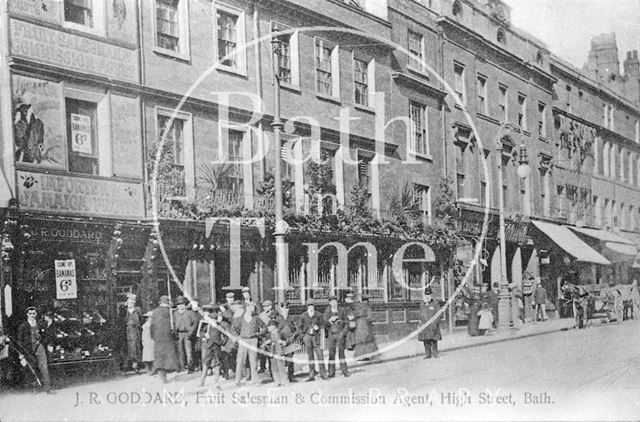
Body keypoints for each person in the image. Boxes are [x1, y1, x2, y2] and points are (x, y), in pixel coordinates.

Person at [17, 307, 54, 393]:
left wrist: (48, 344)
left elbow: (47, 336)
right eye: (30, 313)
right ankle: (34, 388)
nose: (32, 315)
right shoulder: (23, 326)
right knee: (31, 368)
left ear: (36, 314)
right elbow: (20, 341)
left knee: (44, 367)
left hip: (39, 347)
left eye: (34, 313)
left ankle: (48, 388)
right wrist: (21, 353)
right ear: (27, 314)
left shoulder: (41, 325)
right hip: (28, 349)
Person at [232, 302, 264, 386]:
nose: (252, 310)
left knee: (253, 361)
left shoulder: (256, 318)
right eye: (250, 308)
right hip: (243, 340)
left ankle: (255, 380)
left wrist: (258, 334)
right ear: (247, 308)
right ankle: (237, 380)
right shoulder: (240, 318)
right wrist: (237, 337)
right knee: (240, 361)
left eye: (253, 308)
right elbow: (234, 328)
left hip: (253, 340)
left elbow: (264, 327)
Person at [150, 296, 180, 384]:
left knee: (159, 357)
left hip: (158, 338)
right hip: (168, 338)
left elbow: (152, 326)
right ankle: (166, 374)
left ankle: (162, 376)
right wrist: (174, 335)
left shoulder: (155, 312)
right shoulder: (170, 312)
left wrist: (153, 336)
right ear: (167, 302)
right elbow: (174, 325)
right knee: (168, 357)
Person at [295, 300, 326, 381]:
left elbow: (323, 324)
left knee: (320, 355)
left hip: (316, 337)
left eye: (312, 305)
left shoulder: (318, 314)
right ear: (307, 306)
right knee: (310, 356)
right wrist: (303, 337)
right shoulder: (303, 315)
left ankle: (323, 374)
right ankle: (311, 375)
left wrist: (319, 327)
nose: (311, 307)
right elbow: (299, 328)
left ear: (314, 306)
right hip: (308, 337)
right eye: (309, 305)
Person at [198, 305, 224, 388]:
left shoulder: (220, 326)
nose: (212, 321)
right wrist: (204, 335)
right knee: (205, 363)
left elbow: (226, 335)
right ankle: (202, 381)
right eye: (211, 319)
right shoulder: (205, 324)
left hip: (217, 345)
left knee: (217, 363)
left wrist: (222, 342)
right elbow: (200, 333)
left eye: (214, 320)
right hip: (207, 345)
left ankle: (216, 381)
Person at [323, 295, 350, 378]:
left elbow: (347, 323)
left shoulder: (342, 311)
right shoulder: (327, 312)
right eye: (332, 302)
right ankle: (331, 372)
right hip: (331, 335)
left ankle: (344, 371)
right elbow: (324, 324)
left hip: (340, 334)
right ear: (329, 303)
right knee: (331, 354)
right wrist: (329, 321)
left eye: (335, 302)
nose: (334, 304)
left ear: (337, 302)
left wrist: (343, 333)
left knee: (341, 353)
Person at [275, 301, 298, 382]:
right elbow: (275, 331)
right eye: (284, 308)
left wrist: (290, 339)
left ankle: (291, 376)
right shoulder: (277, 319)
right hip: (280, 342)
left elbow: (295, 331)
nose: (285, 310)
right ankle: (282, 377)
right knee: (281, 360)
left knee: (290, 359)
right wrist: (280, 340)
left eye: (287, 308)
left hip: (289, 341)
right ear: (281, 309)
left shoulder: (291, 318)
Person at [174, 296, 198, 373]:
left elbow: (195, 323)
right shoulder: (175, 313)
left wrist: (191, 332)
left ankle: (190, 368)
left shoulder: (190, 313)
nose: (180, 306)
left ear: (185, 304)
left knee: (189, 352)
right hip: (179, 334)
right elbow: (174, 324)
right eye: (179, 304)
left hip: (188, 334)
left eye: (182, 304)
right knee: (180, 352)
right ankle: (182, 367)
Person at [418, 287, 442, 359]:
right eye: (426, 295)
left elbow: (439, 314)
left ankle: (435, 353)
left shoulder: (435, 303)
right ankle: (428, 354)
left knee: (434, 339)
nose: (427, 297)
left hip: (433, 325)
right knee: (426, 340)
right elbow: (420, 314)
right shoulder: (422, 304)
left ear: (431, 295)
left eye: (428, 295)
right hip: (424, 325)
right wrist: (419, 324)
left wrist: (435, 323)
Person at [264, 320, 289, 387]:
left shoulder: (281, 333)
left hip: (279, 352)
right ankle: (277, 381)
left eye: (269, 326)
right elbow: (264, 344)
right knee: (274, 367)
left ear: (274, 326)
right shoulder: (268, 335)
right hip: (272, 353)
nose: (268, 328)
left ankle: (285, 381)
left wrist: (284, 342)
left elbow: (287, 340)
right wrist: (266, 343)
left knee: (281, 367)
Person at [353, 295, 379, 360]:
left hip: (358, 326)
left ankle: (360, 356)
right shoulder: (367, 307)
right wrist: (374, 319)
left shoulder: (357, 307)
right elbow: (370, 317)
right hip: (365, 326)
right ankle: (370, 355)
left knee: (360, 341)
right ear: (367, 300)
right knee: (369, 340)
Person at [124, 293, 143, 373]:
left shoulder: (138, 310)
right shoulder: (124, 310)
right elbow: (121, 320)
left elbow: (141, 320)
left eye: (133, 301)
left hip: (135, 331)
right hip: (126, 332)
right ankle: (126, 365)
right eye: (130, 300)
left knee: (136, 348)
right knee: (128, 349)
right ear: (127, 301)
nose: (132, 302)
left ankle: (136, 366)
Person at [258, 300, 274, 374]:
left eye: (267, 306)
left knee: (271, 353)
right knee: (262, 351)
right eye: (264, 307)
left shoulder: (274, 313)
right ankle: (262, 367)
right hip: (263, 335)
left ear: (270, 306)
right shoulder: (261, 315)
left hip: (271, 335)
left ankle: (272, 369)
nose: (265, 308)